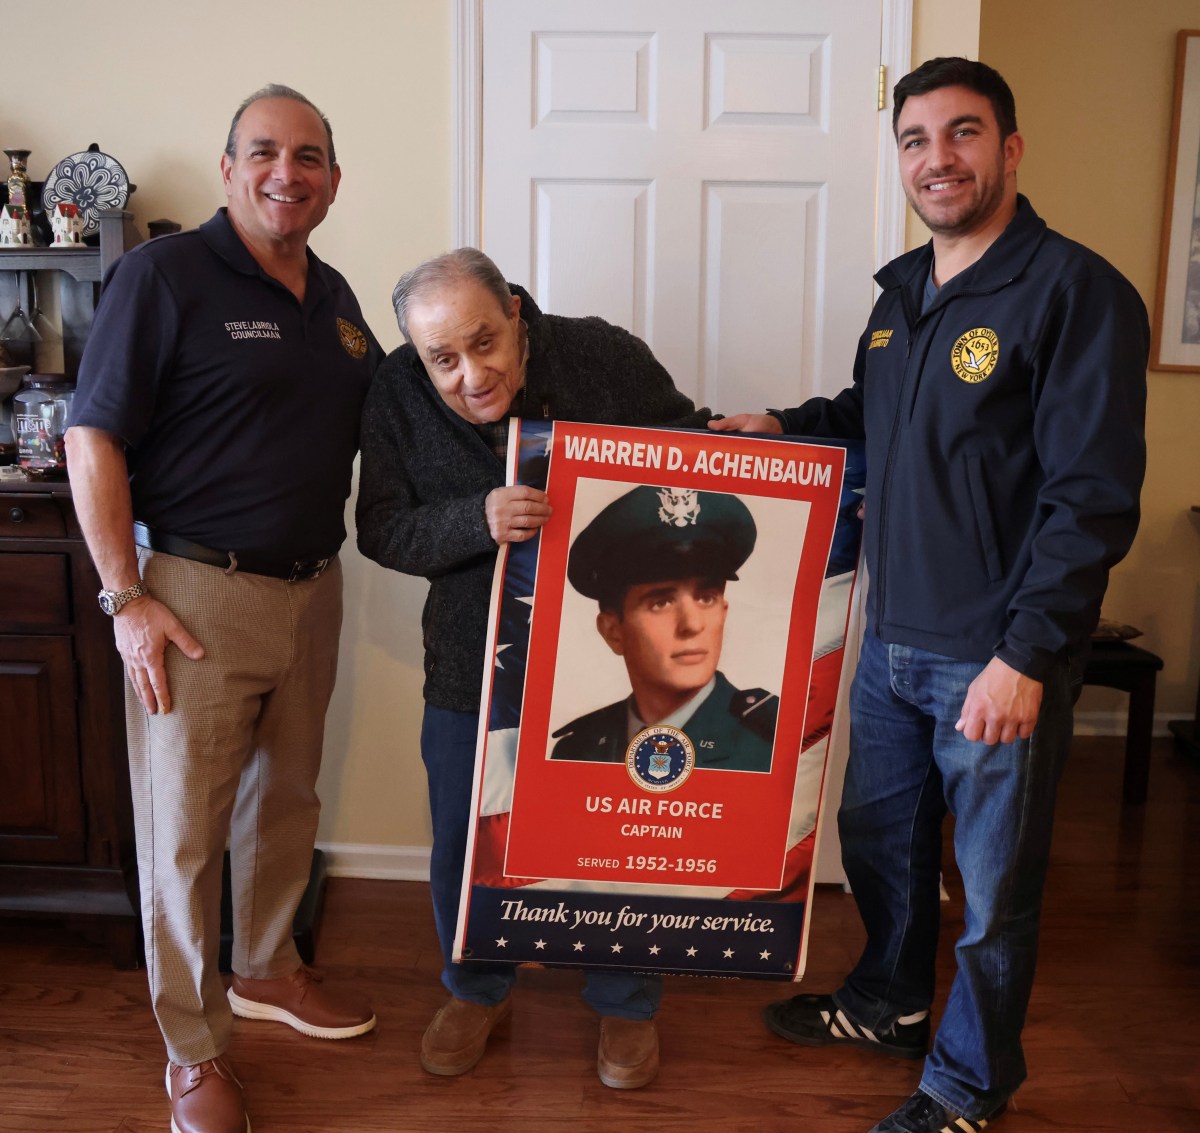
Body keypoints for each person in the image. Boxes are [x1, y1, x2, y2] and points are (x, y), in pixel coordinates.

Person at [711, 57, 1148, 1133]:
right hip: (891, 638)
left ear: (1010, 149)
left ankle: (968, 1082)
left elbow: (1092, 497)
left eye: (962, 133)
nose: (937, 158)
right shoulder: (903, 293)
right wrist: (787, 427)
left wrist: (1029, 654)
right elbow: (876, 417)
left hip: (993, 652)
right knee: (882, 844)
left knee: (994, 896)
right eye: (916, 138)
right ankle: (890, 1002)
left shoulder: (1073, 291)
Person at [65, 85, 382, 1133]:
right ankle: (193, 1047)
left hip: (313, 587)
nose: (285, 171)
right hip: (194, 593)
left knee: (286, 799)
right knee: (184, 834)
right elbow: (91, 437)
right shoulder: (162, 275)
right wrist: (126, 598)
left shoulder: (336, 301)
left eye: (308, 156)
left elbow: (398, 420)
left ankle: (269, 967)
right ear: (228, 166)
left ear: (333, 179)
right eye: (264, 152)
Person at [356, 247, 712, 1090]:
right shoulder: (397, 393)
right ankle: (475, 988)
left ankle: (626, 1004)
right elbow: (382, 528)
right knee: (467, 838)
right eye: (443, 359)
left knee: (621, 834)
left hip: (613, 658)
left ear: (516, 311)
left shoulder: (604, 355)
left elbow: (692, 455)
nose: (471, 374)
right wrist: (476, 519)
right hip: (470, 661)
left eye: (484, 342)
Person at [550, 484, 777, 770]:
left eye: (706, 598)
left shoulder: (773, 737)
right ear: (612, 631)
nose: (692, 625)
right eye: (661, 603)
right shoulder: (578, 750)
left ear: (723, 611)